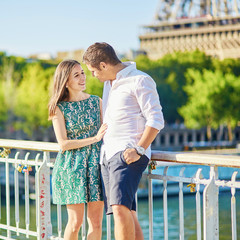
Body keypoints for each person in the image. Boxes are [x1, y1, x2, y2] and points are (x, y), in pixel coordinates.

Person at [83, 42, 164, 240]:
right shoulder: (108, 84)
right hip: (108, 155)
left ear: (103, 65)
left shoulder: (141, 80)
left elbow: (156, 119)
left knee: (119, 210)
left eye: (93, 71)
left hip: (128, 153)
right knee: (126, 212)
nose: (93, 75)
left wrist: (139, 149)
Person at [48, 59, 107, 240]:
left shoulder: (97, 102)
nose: (83, 77)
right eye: (76, 75)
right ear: (66, 81)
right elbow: (63, 144)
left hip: (96, 166)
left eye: (83, 73)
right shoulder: (58, 108)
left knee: (96, 223)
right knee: (75, 223)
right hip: (71, 168)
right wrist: (95, 139)